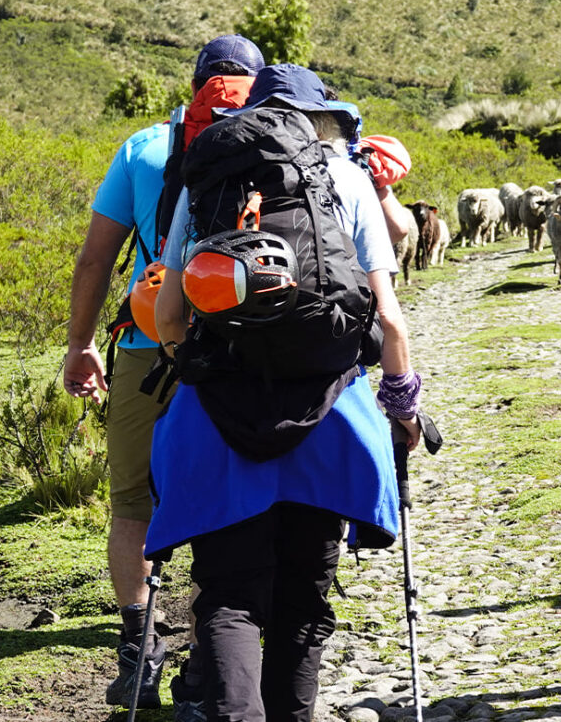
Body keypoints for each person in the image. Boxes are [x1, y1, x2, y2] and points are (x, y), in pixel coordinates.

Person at [145, 64, 424, 722]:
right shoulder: (349, 179)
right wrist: (403, 407)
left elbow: (168, 315)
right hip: (328, 417)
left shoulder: (209, 179)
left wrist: (203, 363)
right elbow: (389, 318)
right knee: (303, 601)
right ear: (324, 117)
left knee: (229, 595)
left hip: (221, 417)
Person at [61, 34, 264, 708]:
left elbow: (95, 259)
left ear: (196, 81)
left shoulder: (144, 146)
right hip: (236, 352)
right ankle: (212, 654)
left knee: (131, 504)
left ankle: (137, 653)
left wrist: (80, 343)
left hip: (149, 343)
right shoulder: (275, 144)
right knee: (224, 504)